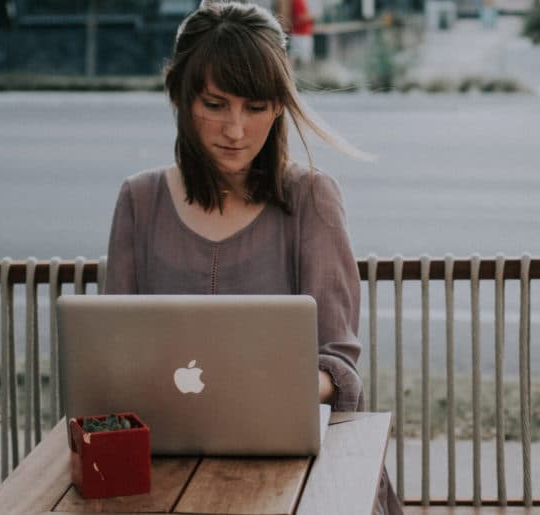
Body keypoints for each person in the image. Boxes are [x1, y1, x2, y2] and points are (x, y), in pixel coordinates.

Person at [102, 2, 401, 513]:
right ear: (178, 93)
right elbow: (111, 354)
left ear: (280, 105)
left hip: (295, 474)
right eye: (215, 105)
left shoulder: (311, 197)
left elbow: (340, 360)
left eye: (256, 106)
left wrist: (285, 389)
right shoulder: (139, 200)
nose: (235, 131)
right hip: (164, 470)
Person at [289, 0, 316, 67]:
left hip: (303, 34)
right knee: (302, 59)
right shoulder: (297, 1)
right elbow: (298, 18)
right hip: (300, 34)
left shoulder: (302, 1)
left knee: (300, 58)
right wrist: (311, 17)